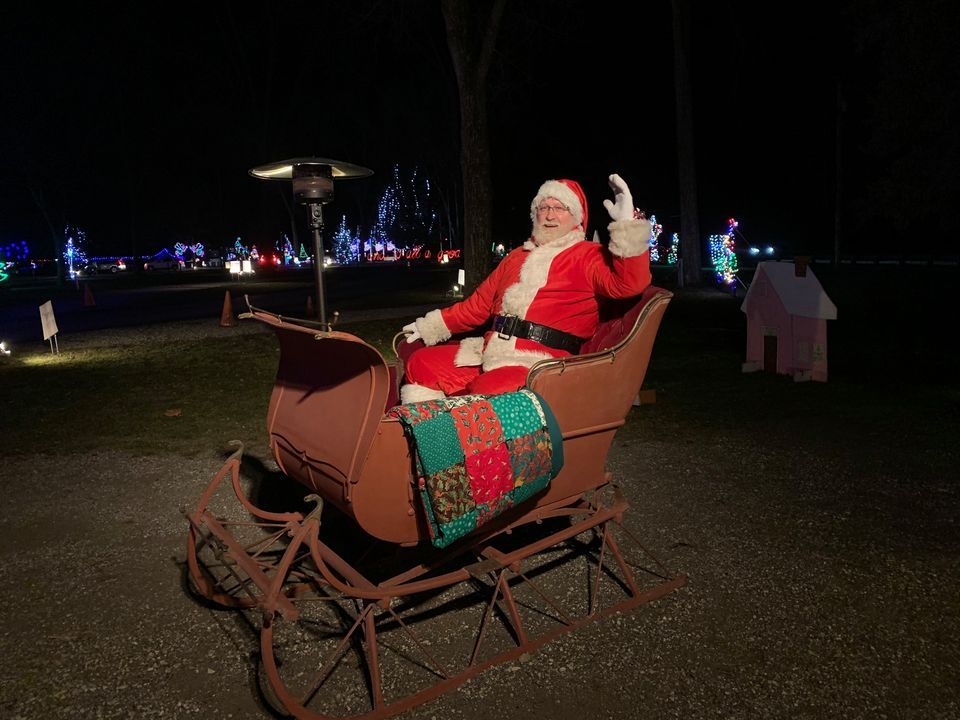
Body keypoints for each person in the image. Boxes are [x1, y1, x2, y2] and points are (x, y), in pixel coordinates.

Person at [399, 173, 652, 403]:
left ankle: (457, 444)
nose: (550, 215)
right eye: (544, 207)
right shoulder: (516, 257)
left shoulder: (588, 255)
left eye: (559, 208)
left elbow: (628, 284)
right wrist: (430, 326)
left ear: (577, 217)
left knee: (492, 388)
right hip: (491, 352)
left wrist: (627, 225)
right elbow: (476, 307)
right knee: (422, 364)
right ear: (535, 214)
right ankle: (428, 437)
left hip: (541, 363)